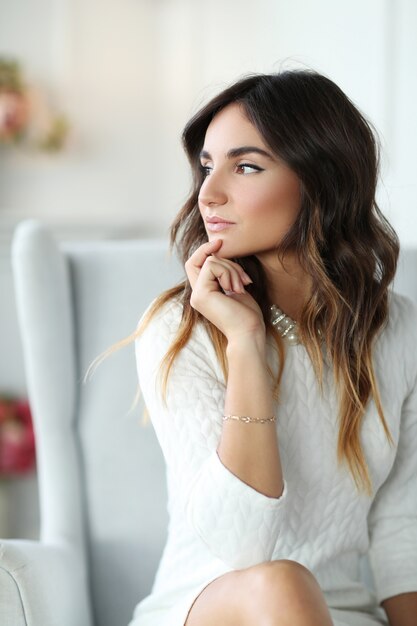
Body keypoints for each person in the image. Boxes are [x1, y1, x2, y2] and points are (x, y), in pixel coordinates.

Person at [128, 71, 417, 625]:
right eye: (208, 166)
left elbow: (402, 529)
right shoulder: (180, 327)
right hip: (211, 606)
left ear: (322, 179)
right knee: (281, 583)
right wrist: (244, 343)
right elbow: (243, 546)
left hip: (340, 614)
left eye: (245, 166)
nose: (208, 193)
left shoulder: (398, 332)